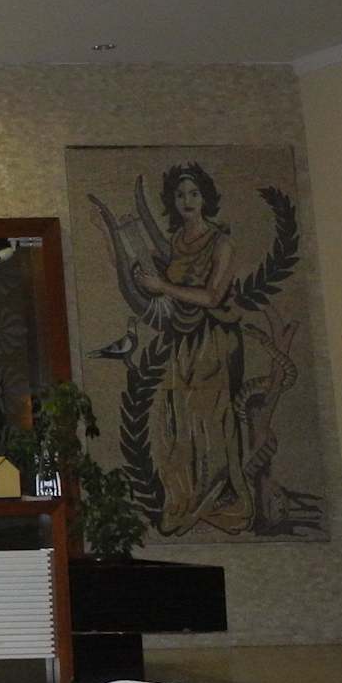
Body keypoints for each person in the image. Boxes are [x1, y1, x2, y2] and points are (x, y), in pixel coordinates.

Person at [131, 162, 251, 534]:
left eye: (194, 193)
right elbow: (168, 270)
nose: (187, 200)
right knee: (179, 419)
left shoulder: (221, 242)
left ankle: (220, 496)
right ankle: (185, 499)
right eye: (180, 194)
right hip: (182, 341)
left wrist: (162, 287)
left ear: (205, 198)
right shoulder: (178, 242)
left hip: (213, 339)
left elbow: (213, 296)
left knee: (209, 419)